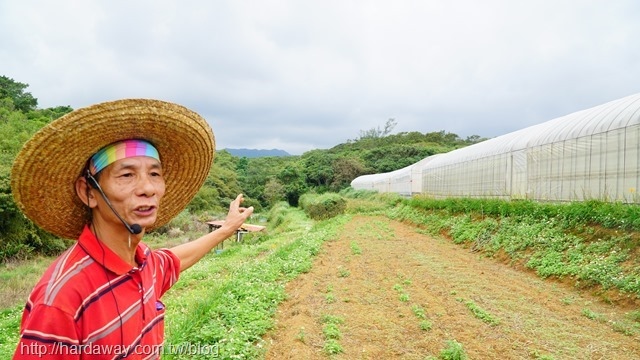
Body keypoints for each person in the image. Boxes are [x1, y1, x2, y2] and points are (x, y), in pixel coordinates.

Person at [10, 98, 254, 359]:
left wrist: (227, 229)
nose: (148, 188)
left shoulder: (143, 263)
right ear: (88, 192)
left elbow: (173, 261)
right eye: (126, 175)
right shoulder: (62, 298)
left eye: (154, 174)